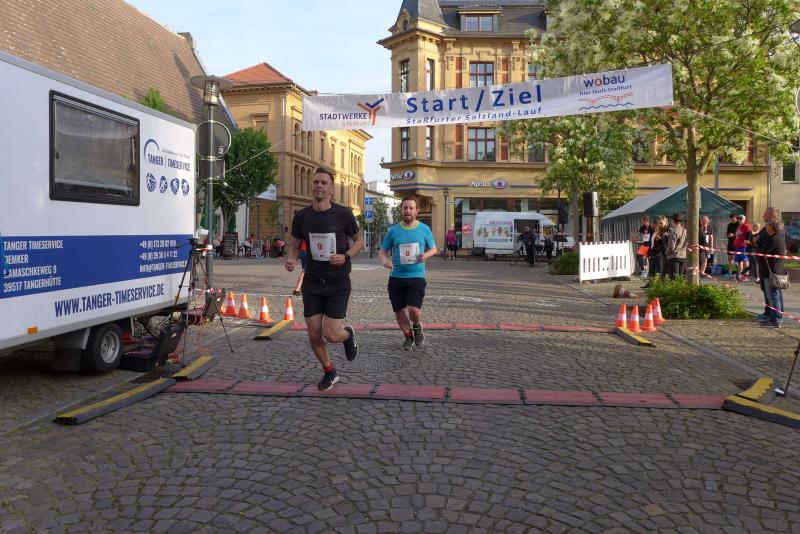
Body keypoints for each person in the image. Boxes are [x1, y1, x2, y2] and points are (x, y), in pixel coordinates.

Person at [285, 167, 363, 391]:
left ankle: (348, 335)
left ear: (331, 189)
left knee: (331, 333)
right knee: (313, 333)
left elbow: (359, 240)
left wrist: (346, 255)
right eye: (316, 182)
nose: (319, 185)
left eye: (324, 183)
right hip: (312, 282)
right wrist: (291, 259)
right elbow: (294, 243)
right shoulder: (302, 217)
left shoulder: (343, 214)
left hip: (337, 281)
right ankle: (330, 371)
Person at [378, 196, 437, 351]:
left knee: (413, 310)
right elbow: (382, 250)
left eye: (411, 208)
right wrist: (385, 261)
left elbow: (434, 248)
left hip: (416, 276)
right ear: (401, 210)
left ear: (417, 211)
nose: (408, 211)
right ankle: (408, 336)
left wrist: (425, 255)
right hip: (396, 277)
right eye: (405, 207)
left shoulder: (424, 229)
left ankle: (416, 326)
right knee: (399, 311)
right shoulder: (393, 231)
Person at [755, 207, 781, 321]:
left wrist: (757, 242)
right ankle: (770, 314)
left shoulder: (775, 236)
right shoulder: (768, 234)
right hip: (766, 267)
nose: (763, 216)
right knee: (769, 292)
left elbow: (763, 248)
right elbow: (757, 240)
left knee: (773, 294)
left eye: (765, 214)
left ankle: (776, 317)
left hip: (772, 268)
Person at [760, 219, 787, 328]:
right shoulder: (777, 238)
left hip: (772, 271)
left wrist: (759, 246)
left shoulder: (774, 239)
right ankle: (775, 317)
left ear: (771, 227)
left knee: (773, 296)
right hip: (776, 270)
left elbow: (762, 252)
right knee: (776, 295)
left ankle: (776, 320)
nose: (766, 226)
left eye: (767, 225)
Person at [642, 218, 665, 288]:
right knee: (651, 269)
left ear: (656, 225)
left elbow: (660, 244)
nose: (652, 225)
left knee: (657, 269)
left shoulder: (660, 233)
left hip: (657, 253)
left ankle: (656, 284)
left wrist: (656, 250)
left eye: (653, 224)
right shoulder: (654, 232)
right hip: (652, 253)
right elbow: (651, 244)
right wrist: (649, 253)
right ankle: (650, 283)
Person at [666, 212, 686, 279]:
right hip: (683, 256)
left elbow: (671, 247)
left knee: (674, 278)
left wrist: (667, 252)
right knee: (680, 278)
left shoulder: (673, 231)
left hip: (674, 256)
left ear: (673, 221)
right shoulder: (685, 231)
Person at [732, 214, 751, 282]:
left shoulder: (746, 226)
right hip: (737, 246)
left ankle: (746, 276)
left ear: (744, 219)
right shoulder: (739, 226)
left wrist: (747, 241)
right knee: (739, 261)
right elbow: (739, 235)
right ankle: (740, 275)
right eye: (738, 219)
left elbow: (749, 233)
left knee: (745, 261)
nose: (739, 220)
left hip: (743, 246)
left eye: (741, 219)